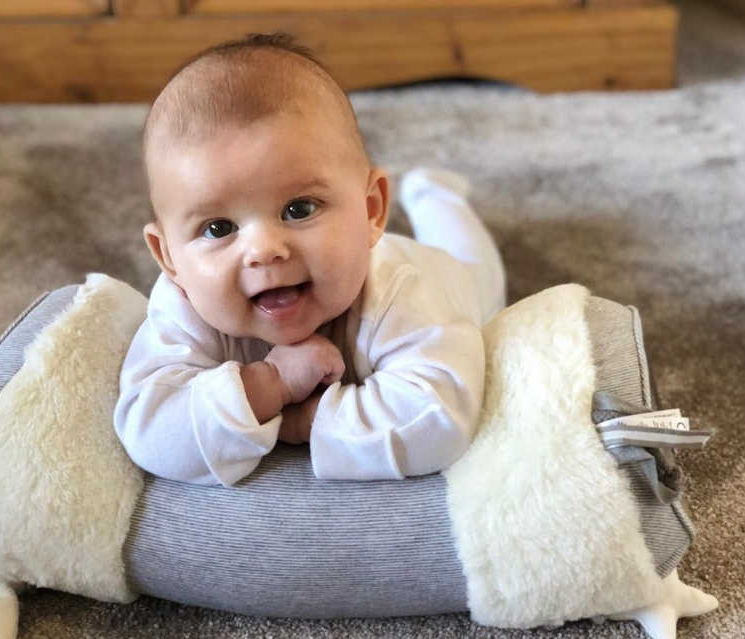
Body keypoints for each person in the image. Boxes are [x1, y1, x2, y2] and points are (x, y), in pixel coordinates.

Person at [114, 33, 507, 486]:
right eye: (218, 228)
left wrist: (312, 421)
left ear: (372, 209)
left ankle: (435, 194)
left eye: (299, 209)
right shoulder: (183, 307)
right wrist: (268, 385)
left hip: (452, 280)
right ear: (170, 259)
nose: (263, 249)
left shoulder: (404, 289)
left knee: (474, 265)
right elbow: (149, 431)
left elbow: (440, 418)